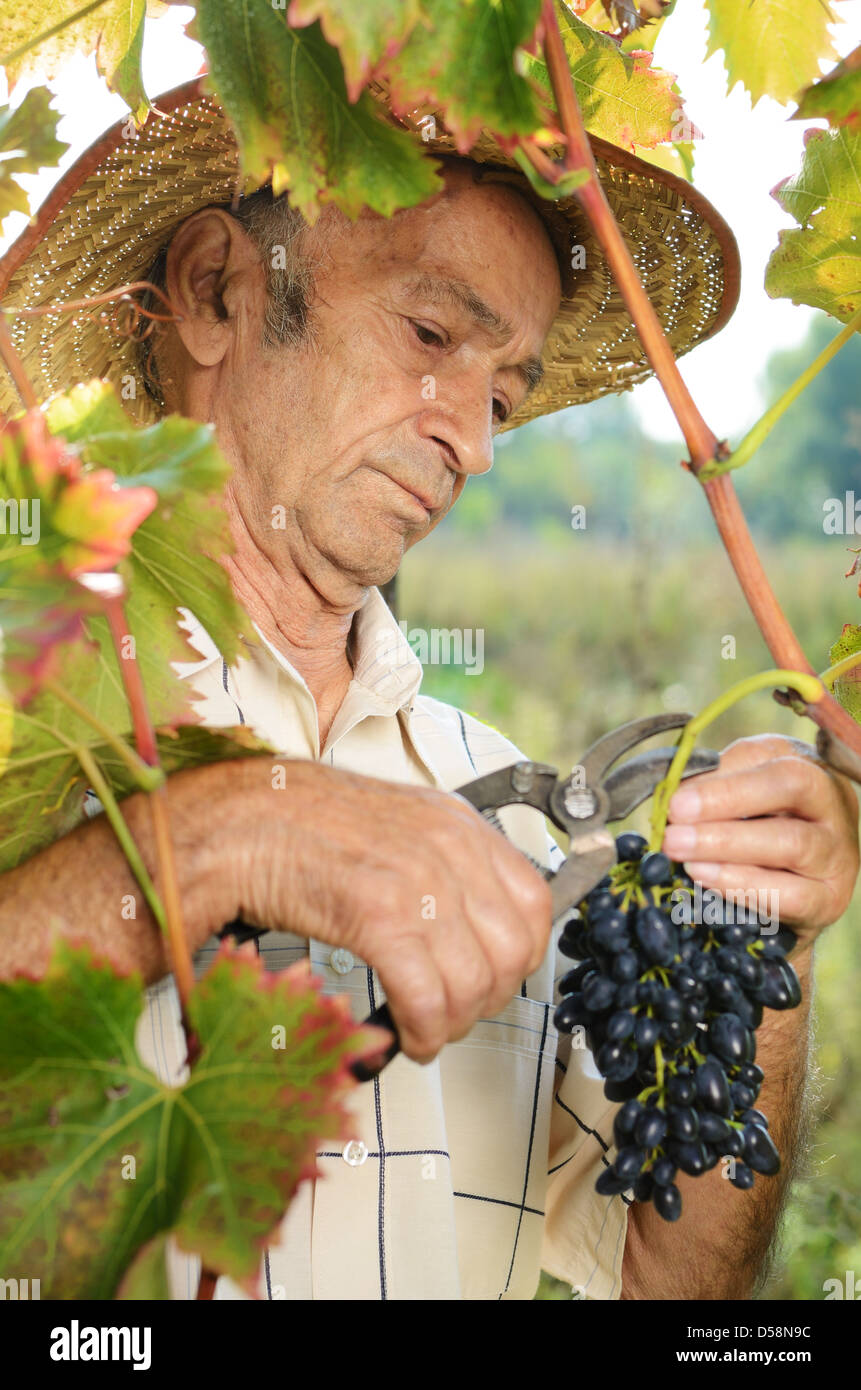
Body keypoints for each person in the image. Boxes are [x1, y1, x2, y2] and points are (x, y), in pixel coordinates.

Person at [0, 79, 857, 1302]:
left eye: (503, 393)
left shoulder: (496, 799)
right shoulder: (30, 691)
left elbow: (678, 1294)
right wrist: (217, 841)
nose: (477, 440)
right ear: (214, 290)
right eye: (430, 338)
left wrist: (763, 953)